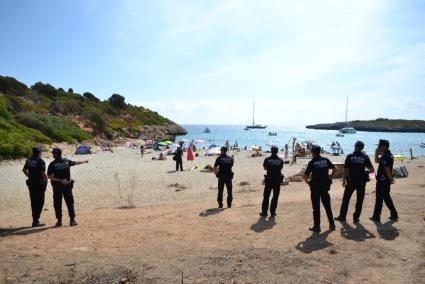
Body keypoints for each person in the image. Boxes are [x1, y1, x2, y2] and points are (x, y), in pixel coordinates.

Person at [334, 141, 374, 223]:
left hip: (351, 181)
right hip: (361, 182)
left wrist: (344, 179)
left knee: (346, 199)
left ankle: (342, 216)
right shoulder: (365, 157)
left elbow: (345, 169)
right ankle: (356, 218)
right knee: (359, 200)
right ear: (362, 148)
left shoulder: (350, 156)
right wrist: (366, 173)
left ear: (355, 146)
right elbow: (372, 170)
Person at [47, 148, 88, 227]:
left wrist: (59, 180)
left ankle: (59, 221)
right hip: (67, 186)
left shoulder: (52, 164)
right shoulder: (66, 161)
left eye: (53, 153)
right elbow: (76, 162)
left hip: (57, 187)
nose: (52, 154)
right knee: (70, 203)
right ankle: (72, 220)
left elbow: (49, 176)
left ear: (56, 154)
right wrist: (84, 161)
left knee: (57, 204)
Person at [304, 145, 337, 232]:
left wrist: (309, 184)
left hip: (315, 188)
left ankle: (317, 226)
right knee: (327, 206)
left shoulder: (312, 162)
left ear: (312, 152)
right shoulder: (325, 160)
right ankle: (332, 224)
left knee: (316, 208)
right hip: (325, 187)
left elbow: (305, 177)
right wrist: (330, 177)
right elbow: (335, 169)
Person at [370, 139, 398, 222]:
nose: (378, 147)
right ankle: (394, 214)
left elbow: (386, 168)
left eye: (379, 146)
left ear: (385, 147)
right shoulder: (387, 155)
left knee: (379, 198)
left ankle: (376, 216)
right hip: (384, 180)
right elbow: (377, 161)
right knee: (386, 197)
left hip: (383, 180)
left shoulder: (386, 156)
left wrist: (390, 178)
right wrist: (376, 152)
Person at [22, 147, 48, 227]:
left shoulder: (29, 160)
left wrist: (29, 176)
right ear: (39, 153)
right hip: (39, 184)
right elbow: (43, 174)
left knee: (33, 201)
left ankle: (35, 220)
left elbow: (24, 170)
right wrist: (46, 182)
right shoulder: (41, 161)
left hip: (31, 183)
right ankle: (36, 221)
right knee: (40, 202)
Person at [260, 146, 284, 218]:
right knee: (275, 197)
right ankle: (272, 212)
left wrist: (270, 169)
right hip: (277, 180)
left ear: (271, 151)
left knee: (266, 197)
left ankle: (264, 212)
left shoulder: (267, 159)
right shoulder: (280, 160)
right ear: (277, 151)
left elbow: (264, 168)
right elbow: (280, 168)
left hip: (269, 180)